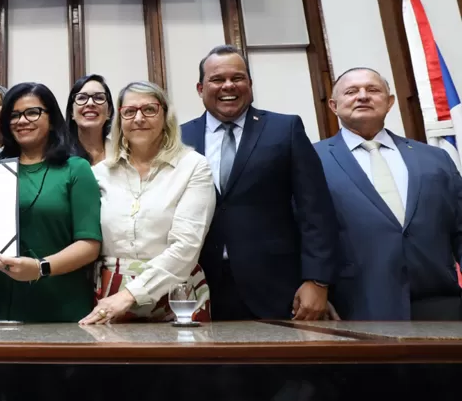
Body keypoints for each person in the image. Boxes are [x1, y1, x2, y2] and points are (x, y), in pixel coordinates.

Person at [181, 44, 338, 320]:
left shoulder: (285, 129)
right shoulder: (181, 138)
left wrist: (317, 280)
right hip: (199, 286)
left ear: (250, 84)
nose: (228, 85)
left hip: (276, 287)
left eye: (237, 78)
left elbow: (315, 210)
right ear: (200, 88)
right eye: (217, 79)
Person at [316, 67, 462, 320]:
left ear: (390, 102)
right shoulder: (311, 160)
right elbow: (300, 232)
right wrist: (315, 287)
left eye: (373, 90)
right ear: (333, 105)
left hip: (441, 302)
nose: (363, 96)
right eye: (351, 91)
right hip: (356, 306)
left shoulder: (435, 158)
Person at [80, 81, 215, 325]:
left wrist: (129, 295)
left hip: (176, 294)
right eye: (129, 111)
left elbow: (186, 246)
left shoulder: (193, 166)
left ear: (165, 116)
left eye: (149, 110)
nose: (139, 118)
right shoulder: (99, 173)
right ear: (120, 120)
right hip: (109, 296)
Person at [0, 83, 102, 322]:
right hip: (0, 304)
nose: (22, 121)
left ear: (52, 119)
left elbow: (89, 245)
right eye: (14, 115)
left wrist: (40, 268)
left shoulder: (75, 168)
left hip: (60, 303)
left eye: (32, 112)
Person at [66, 74, 113, 166]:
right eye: (82, 98)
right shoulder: (59, 156)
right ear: (71, 112)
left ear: (109, 111)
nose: (90, 103)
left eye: (99, 98)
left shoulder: (123, 155)